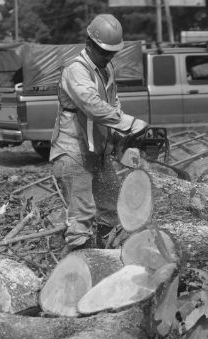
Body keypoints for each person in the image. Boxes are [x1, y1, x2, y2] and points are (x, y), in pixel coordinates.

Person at [49, 13, 149, 255]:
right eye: (104, 52)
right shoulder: (76, 70)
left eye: (112, 53)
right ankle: (75, 272)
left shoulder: (107, 69)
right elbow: (92, 106)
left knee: (113, 211)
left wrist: (119, 136)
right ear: (89, 44)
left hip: (97, 153)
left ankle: (106, 260)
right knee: (82, 218)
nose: (108, 57)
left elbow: (112, 105)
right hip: (74, 154)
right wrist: (129, 123)